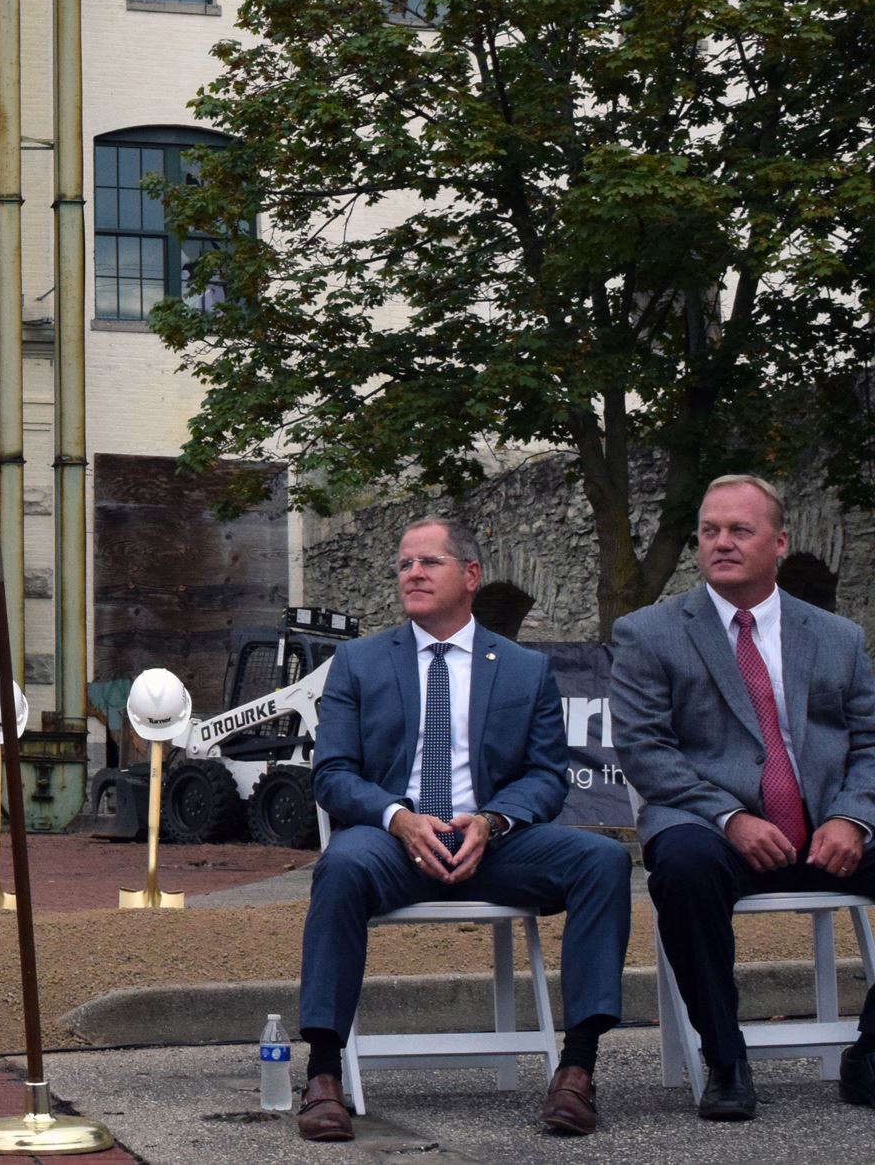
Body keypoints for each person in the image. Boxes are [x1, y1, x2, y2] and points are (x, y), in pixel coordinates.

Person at [296, 516, 631, 1142]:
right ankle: (322, 1074)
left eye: (429, 562)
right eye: (404, 564)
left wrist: (493, 820)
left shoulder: (524, 669)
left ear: (470, 576)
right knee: (340, 865)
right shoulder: (360, 663)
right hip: (391, 843)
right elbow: (333, 776)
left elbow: (546, 777)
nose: (413, 574)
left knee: (603, 862)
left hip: (494, 844)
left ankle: (578, 1069)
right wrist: (398, 818)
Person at [611, 473, 875, 1120]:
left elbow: (871, 740)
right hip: (709, 822)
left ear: (780, 541)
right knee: (683, 865)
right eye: (709, 530)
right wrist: (730, 817)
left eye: (740, 529)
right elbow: (646, 751)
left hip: (822, 823)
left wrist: (852, 816)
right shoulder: (648, 633)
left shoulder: (838, 636)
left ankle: (870, 1053)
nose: (721, 542)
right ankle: (726, 1059)